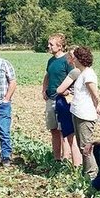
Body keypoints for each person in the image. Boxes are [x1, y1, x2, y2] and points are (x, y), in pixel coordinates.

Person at [55, 46, 100, 177]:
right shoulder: (81, 73)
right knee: (82, 145)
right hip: (78, 112)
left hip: (85, 115)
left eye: (74, 57)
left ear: (81, 59)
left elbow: (95, 94)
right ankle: (87, 172)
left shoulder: (88, 74)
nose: (72, 59)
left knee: (85, 146)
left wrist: (97, 106)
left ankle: (91, 174)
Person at [42, 34, 76, 163]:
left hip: (62, 100)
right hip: (51, 99)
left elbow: (74, 77)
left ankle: (66, 158)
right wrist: (44, 89)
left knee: (64, 131)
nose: (48, 46)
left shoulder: (67, 60)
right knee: (53, 129)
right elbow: (47, 76)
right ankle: (57, 158)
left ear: (60, 46)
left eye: (51, 44)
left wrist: (69, 91)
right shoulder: (51, 61)